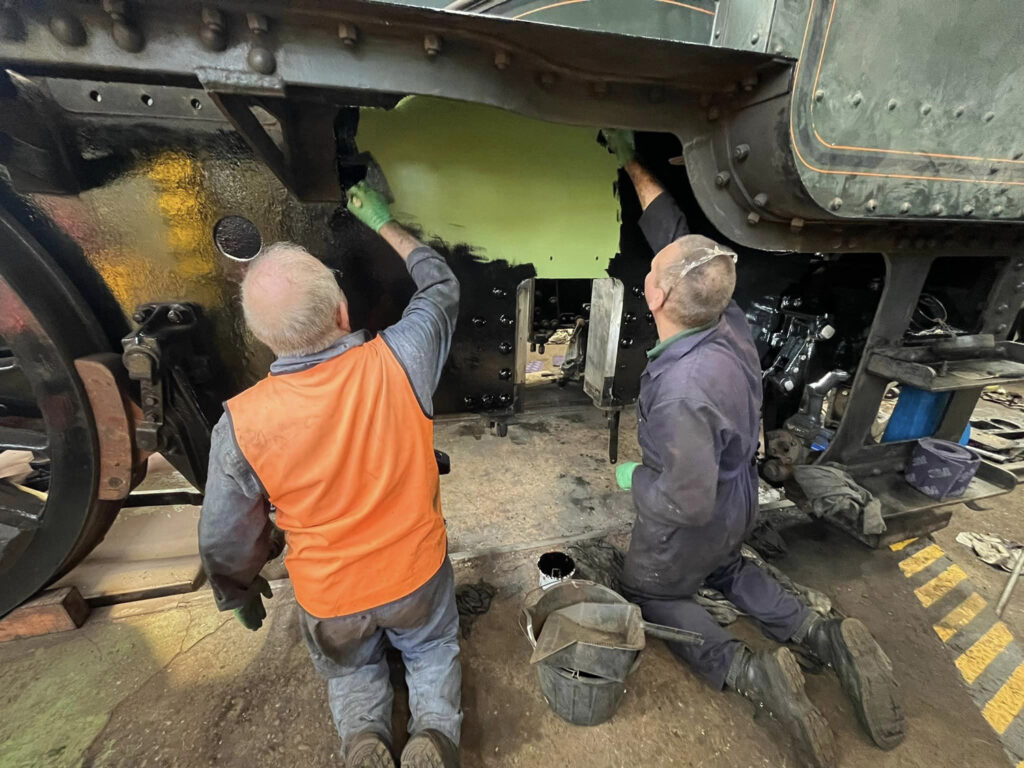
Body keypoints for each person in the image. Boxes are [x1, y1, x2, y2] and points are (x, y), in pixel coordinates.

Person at [603, 129, 905, 768]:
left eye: (653, 275)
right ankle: (818, 632)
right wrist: (636, 167)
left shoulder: (682, 389)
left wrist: (634, 477)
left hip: (699, 509)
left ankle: (748, 672)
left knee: (653, 589)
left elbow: (682, 503)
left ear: (654, 296)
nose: (652, 273)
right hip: (738, 500)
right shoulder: (728, 320)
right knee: (724, 564)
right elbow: (675, 237)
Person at [198, 181, 462, 768]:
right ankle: (435, 736)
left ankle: (365, 741)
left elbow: (225, 534)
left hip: (330, 597)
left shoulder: (240, 424)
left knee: (353, 672)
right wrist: (385, 222)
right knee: (432, 651)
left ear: (263, 339)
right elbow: (441, 286)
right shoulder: (404, 358)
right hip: (415, 574)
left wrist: (234, 592)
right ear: (343, 311)